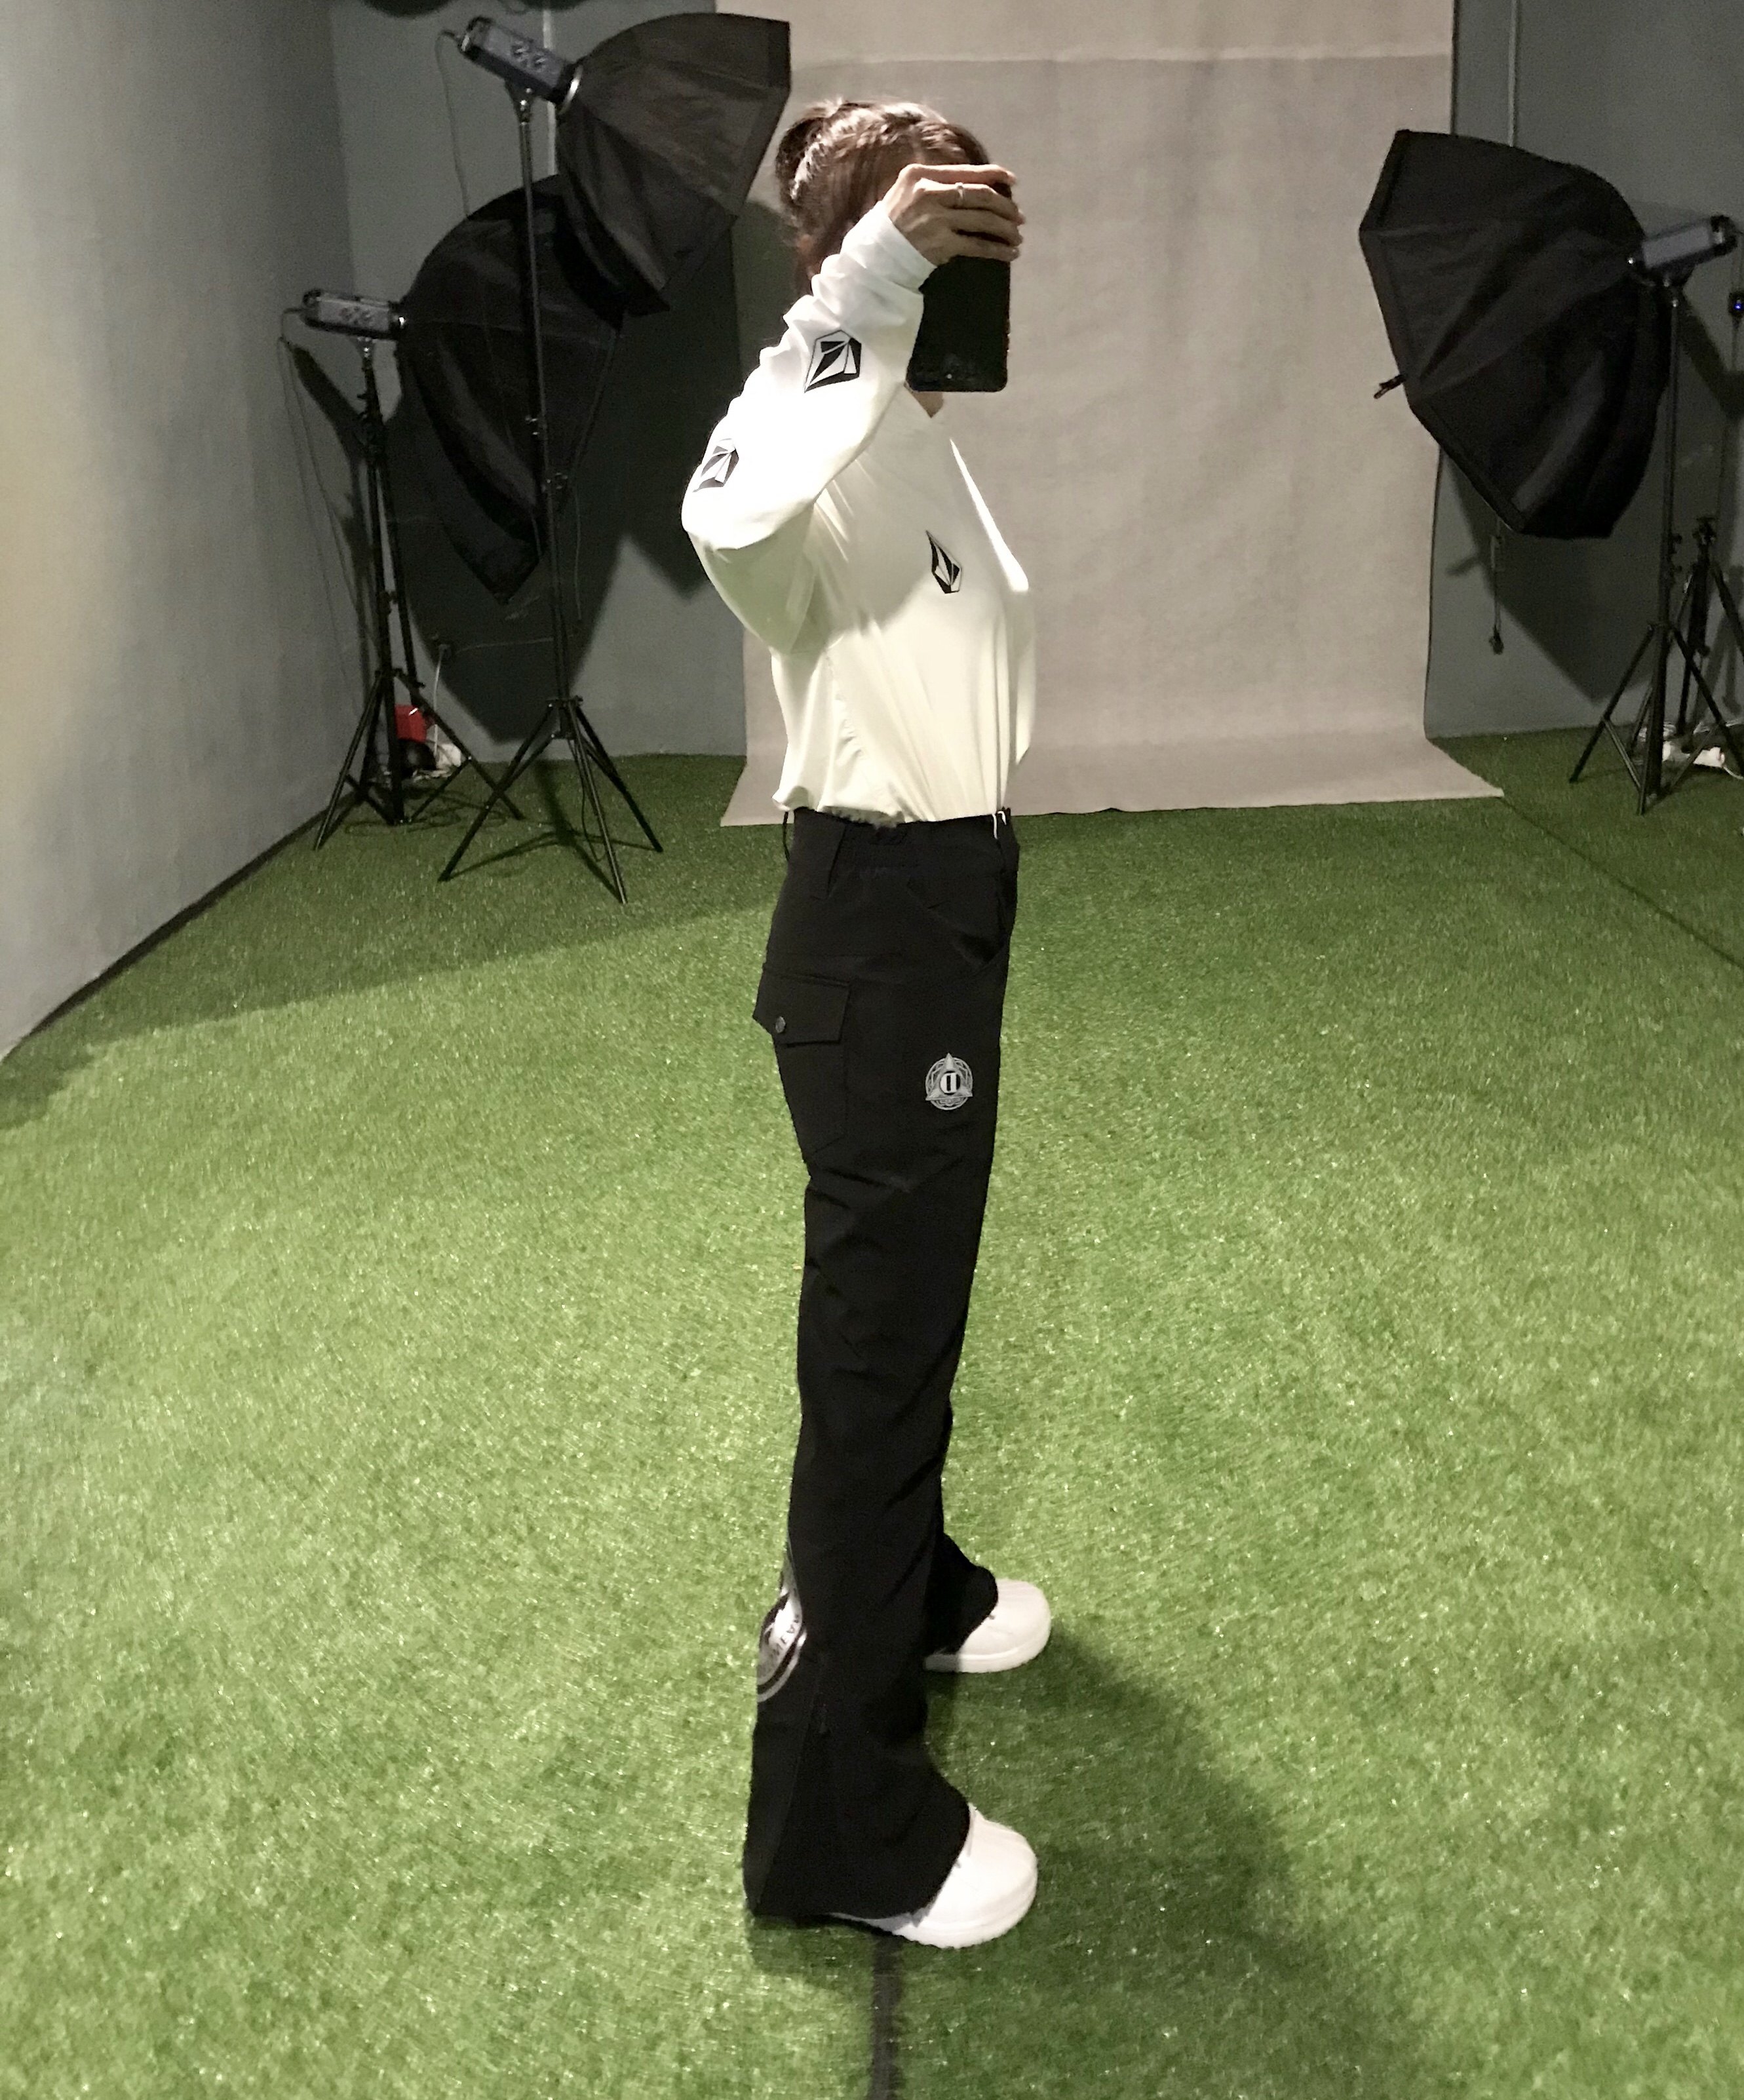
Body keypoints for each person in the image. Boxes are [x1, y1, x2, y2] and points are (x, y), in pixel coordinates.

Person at [682, 98, 1044, 1950]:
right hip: (879, 935)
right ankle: (840, 1828)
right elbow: (721, 504)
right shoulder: (806, 445)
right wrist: (868, 278)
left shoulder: (904, 433)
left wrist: (901, 307)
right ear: (859, 259)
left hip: (936, 922)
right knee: (876, 1350)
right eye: (930, 234)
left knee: (919, 1304)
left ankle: (914, 1588)